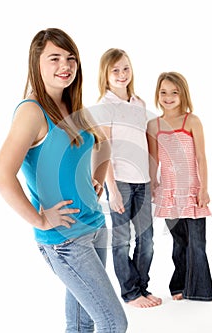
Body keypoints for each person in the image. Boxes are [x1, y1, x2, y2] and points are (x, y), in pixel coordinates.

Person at [0, 28, 128, 333]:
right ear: (36, 64)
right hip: (66, 240)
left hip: (95, 227)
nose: (64, 65)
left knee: (83, 322)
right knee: (114, 324)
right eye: (54, 58)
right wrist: (40, 220)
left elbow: (104, 146)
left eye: (70, 58)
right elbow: (2, 174)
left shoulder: (72, 107)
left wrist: (95, 179)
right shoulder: (31, 111)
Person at [92, 48, 162, 308]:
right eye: (115, 70)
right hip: (119, 180)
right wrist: (113, 190)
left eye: (125, 68)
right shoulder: (104, 106)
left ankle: (142, 287)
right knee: (122, 240)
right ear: (106, 75)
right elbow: (104, 149)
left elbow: (146, 142)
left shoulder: (139, 104)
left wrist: (153, 177)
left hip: (143, 179)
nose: (122, 75)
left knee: (147, 241)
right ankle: (130, 293)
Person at [147, 71, 212, 301]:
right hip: (169, 193)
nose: (168, 97)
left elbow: (201, 158)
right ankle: (178, 287)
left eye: (174, 92)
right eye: (164, 92)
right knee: (179, 242)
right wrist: (152, 185)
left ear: (183, 94)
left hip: (191, 192)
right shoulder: (154, 125)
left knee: (197, 242)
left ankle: (202, 291)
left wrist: (204, 189)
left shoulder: (192, 121)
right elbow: (153, 159)